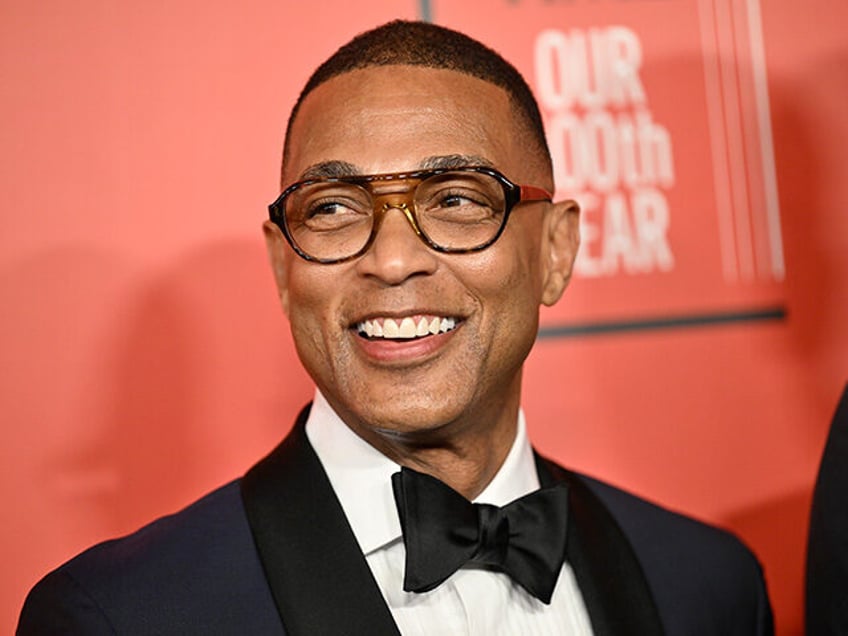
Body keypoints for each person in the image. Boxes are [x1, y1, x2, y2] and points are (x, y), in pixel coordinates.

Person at [18, 20, 773, 635]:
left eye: (456, 198)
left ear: (555, 251)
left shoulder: (706, 586)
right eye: (334, 209)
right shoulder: (120, 617)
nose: (392, 260)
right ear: (284, 270)